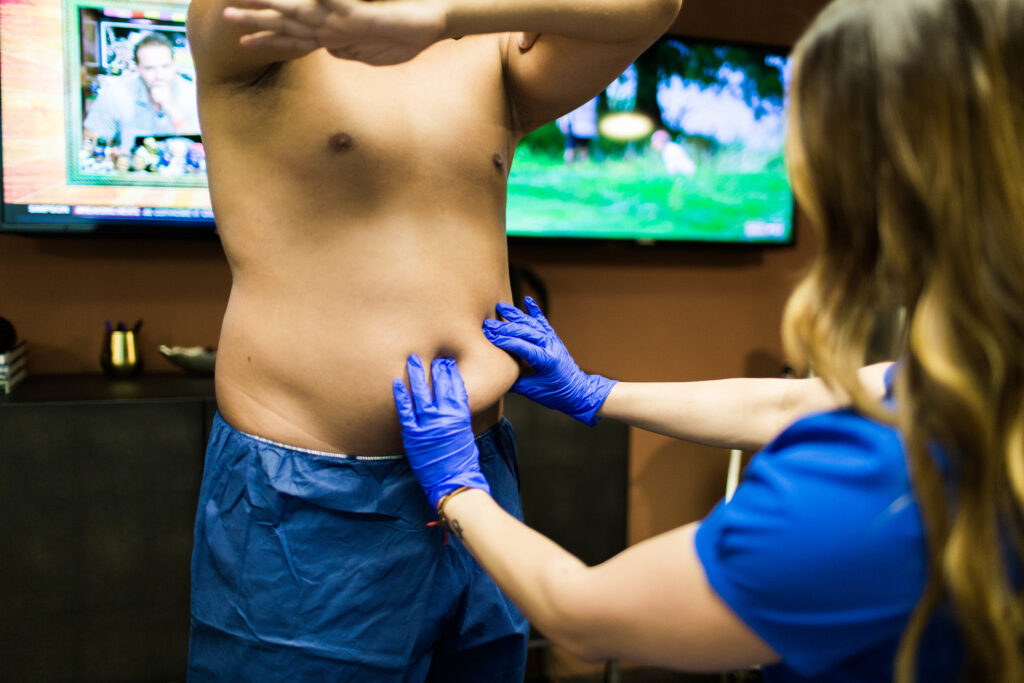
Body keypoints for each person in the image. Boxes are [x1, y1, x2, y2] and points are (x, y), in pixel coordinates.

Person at [392, 0, 1024, 681]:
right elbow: (795, 405)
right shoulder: (982, 380)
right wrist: (598, 394)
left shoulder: (873, 490)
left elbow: (581, 613)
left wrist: (459, 488)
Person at [184, 0, 682, 680]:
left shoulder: (483, 47)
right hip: (311, 507)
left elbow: (656, 6)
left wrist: (445, 15)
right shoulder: (278, 32)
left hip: (477, 476)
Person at [83, 32, 200, 155]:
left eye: (165, 67)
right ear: (137, 68)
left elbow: (204, 149)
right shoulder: (116, 93)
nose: (159, 76)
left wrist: (171, 108)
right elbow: (91, 140)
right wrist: (110, 155)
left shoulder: (193, 94)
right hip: (129, 170)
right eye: (149, 68)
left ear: (174, 64)